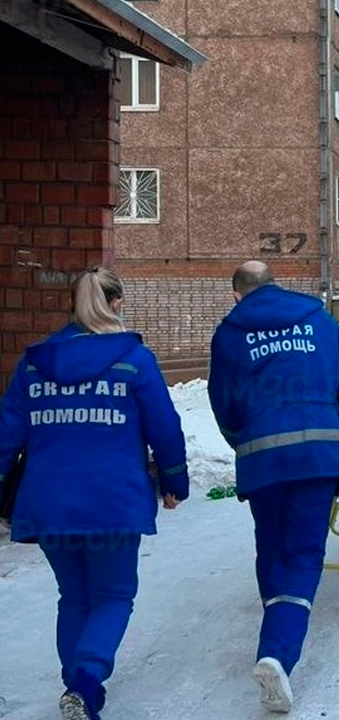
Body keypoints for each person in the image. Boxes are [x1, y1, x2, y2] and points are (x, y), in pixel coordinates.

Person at [0, 267, 189, 720]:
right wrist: (174, 481)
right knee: (113, 594)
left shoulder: (33, 363)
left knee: (75, 596)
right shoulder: (133, 359)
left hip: (49, 503)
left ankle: (76, 689)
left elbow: (6, 437)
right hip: (113, 501)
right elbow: (164, 427)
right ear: (117, 303)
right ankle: (86, 683)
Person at [207, 261, 339, 714]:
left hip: (264, 459)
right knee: (302, 553)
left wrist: (243, 443)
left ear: (238, 294)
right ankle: (278, 653)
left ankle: (275, 627)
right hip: (320, 455)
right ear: (274, 283)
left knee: (272, 545)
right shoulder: (319, 319)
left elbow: (222, 401)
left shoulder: (229, 332)